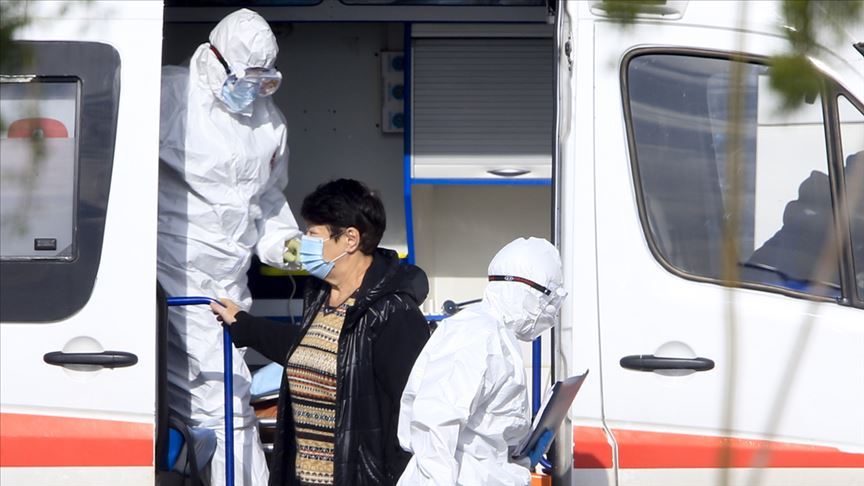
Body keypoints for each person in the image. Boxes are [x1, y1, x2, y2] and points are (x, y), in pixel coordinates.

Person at [158, 9, 301, 485]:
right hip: (175, 274)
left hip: (230, 287)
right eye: (245, 79)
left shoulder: (269, 124)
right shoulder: (168, 97)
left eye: (264, 81)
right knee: (221, 403)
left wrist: (292, 248)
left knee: (217, 401)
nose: (252, 91)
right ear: (214, 59)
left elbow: (267, 201)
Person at [210, 179, 431, 486]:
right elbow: (310, 350)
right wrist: (244, 325)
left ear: (350, 239)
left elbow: (414, 412)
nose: (305, 243)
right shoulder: (321, 294)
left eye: (313, 234)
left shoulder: (393, 313)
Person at [397, 237, 568, 486]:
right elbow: (435, 422)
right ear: (526, 290)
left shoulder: (499, 335)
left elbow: (487, 431)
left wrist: (520, 453)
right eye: (549, 300)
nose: (551, 312)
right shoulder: (475, 334)